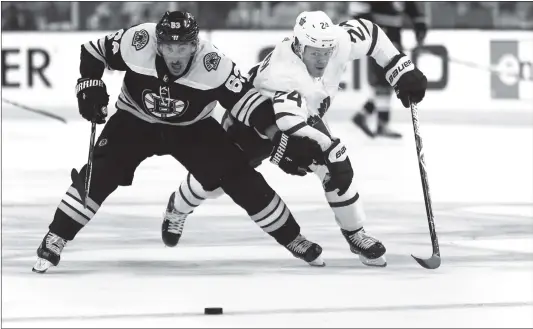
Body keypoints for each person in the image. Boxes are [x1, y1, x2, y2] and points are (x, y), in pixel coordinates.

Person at [32, 11, 327, 273]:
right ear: (158, 44)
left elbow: (247, 103)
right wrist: (90, 84)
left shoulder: (214, 64)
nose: (175, 55)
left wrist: (279, 137)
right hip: (134, 121)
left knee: (239, 176)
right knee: (99, 173)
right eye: (169, 46)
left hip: (192, 128)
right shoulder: (138, 40)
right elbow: (93, 51)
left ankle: (293, 238)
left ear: (195, 45)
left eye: (183, 47)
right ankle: (56, 237)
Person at [161, 11, 427, 267]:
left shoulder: (339, 42)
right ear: (299, 48)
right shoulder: (284, 75)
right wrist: (329, 146)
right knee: (216, 180)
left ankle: (355, 234)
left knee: (332, 168)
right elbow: (290, 126)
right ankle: (178, 207)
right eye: (315, 53)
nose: (322, 60)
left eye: (327, 52)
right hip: (253, 121)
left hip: (302, 114)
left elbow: (372, 34)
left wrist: (400, 69)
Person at [351, 1, 427, 138]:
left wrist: (420, 28)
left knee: (389, 81)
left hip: (394, 41)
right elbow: (357, 11)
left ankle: (365, 115)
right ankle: (381, 123)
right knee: (385, 81)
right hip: (377, 44)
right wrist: (380, 34)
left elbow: (413, 11)